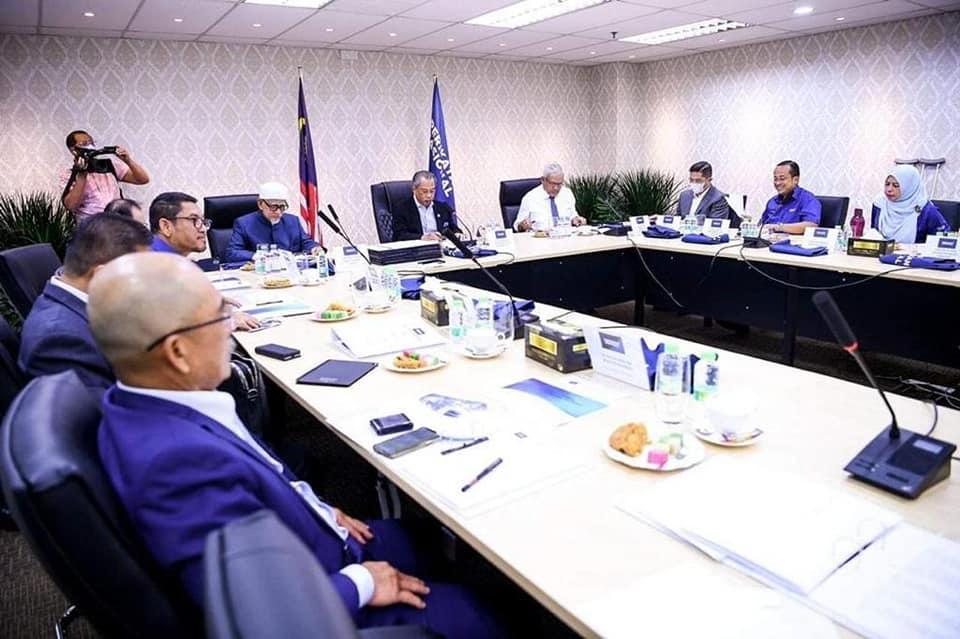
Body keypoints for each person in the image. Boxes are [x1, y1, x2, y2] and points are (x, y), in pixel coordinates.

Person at [89, 252, 504, 637]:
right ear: (178, 352)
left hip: (312, 536)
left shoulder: (145, 404)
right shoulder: (174, 463)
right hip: (323, 595)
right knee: (487, 613)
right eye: (219, 315)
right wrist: (359, 583)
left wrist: (317, 507)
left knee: (441, 541)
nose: (232, 327)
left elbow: (256, 478)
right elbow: (250, 612)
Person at [18, 214, 152, 394]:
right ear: (103, 275)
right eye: (139, 275)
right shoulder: (59, 341)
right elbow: (109, 406)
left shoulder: (84, 301)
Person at [149, 191, 259, 331]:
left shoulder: (171, 260)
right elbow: (163, 324)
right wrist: (224, 320)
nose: (203, 229)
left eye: (203, 221)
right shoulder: (153, 265)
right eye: (194, 220)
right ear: (166, 226)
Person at [60, 129, 150, 219]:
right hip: (91, 223)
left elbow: (143, 179)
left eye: (91, 142)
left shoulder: (108, 165)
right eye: (84, 143)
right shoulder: (69, 175)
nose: (90, 146)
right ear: (73, 150)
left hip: (117, 220)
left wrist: (128, 161)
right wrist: (81, 176)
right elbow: (71, 206)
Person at [224, 182, 320, 262]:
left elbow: (306, 242)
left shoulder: (293, 220)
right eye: (273, 207)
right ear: (260, 204)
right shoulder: (244, 223)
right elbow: (232, 253)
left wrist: (315, 248)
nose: (278, 212)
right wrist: (256, 256)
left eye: (282, 207)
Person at [871, 165, 949, 244]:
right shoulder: (880, 204)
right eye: (887, 184)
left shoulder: (925, 210)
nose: (889, 189)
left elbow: (943, 241)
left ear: (910, 187)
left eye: (896, 185)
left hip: (914, 251)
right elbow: (873, 235)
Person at [514, 163, 585, 232]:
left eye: (559, 184)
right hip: (541, 238)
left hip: (566, 237)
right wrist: (522, 225)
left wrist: (577, 220)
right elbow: (517, 226)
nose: (556, 188)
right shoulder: (530, 198)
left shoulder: (567, 194)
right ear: (543, 180)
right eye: (553, 183)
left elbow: (573, 217)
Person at [391, 171, 457, 242]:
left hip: (440, 246)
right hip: (417, 247)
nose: (429, 195)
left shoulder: (443, 208)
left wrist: (457, 234)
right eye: (425, 191)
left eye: (432, 191)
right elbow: (399, 235)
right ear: (414, 189)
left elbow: (452, 228)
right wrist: (422, 237)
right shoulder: (401, 209)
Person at [759, 160, 821, 234]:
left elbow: (811, 226)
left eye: (782, 179)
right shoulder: (772, 202)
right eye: (775, 179)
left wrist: (778, 227)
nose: (777, 183)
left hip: (792, 241)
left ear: (795, 180)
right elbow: (761, 225)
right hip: (768, 240)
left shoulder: (808, 199)